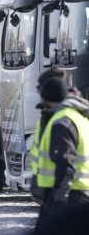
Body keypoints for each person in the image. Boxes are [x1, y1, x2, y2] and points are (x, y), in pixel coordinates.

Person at [32, 71, 89, 235]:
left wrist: (58, 200)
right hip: (76, 192)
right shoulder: (79, 116)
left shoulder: (62, 121)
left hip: (67, 194)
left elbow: (65, 165)